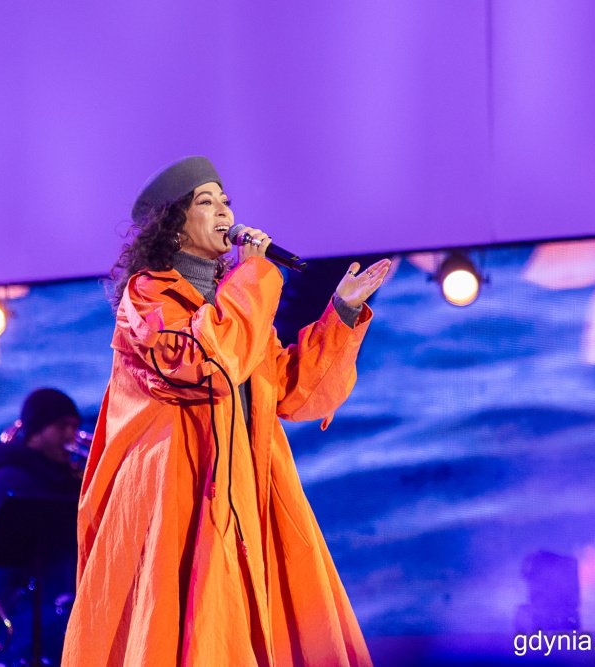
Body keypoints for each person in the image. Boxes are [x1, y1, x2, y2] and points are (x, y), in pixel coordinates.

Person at [62, 157, 390, 666]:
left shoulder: (236, 301)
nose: (224, 212)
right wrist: (254, 275)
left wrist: (341, 312)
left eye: (226, 201)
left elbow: (292, 391)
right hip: (182, 497)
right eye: (206, 202)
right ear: (174, 226)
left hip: (247, 492)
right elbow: (206, 363)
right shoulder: (148, 296)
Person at [0, 388, 84, 665]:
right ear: (36, 431)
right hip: (17, 605)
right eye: (62, 427)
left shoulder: (63, 476)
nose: (71, 436)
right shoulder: (6, 477)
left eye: (74, 427)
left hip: (53, 593)